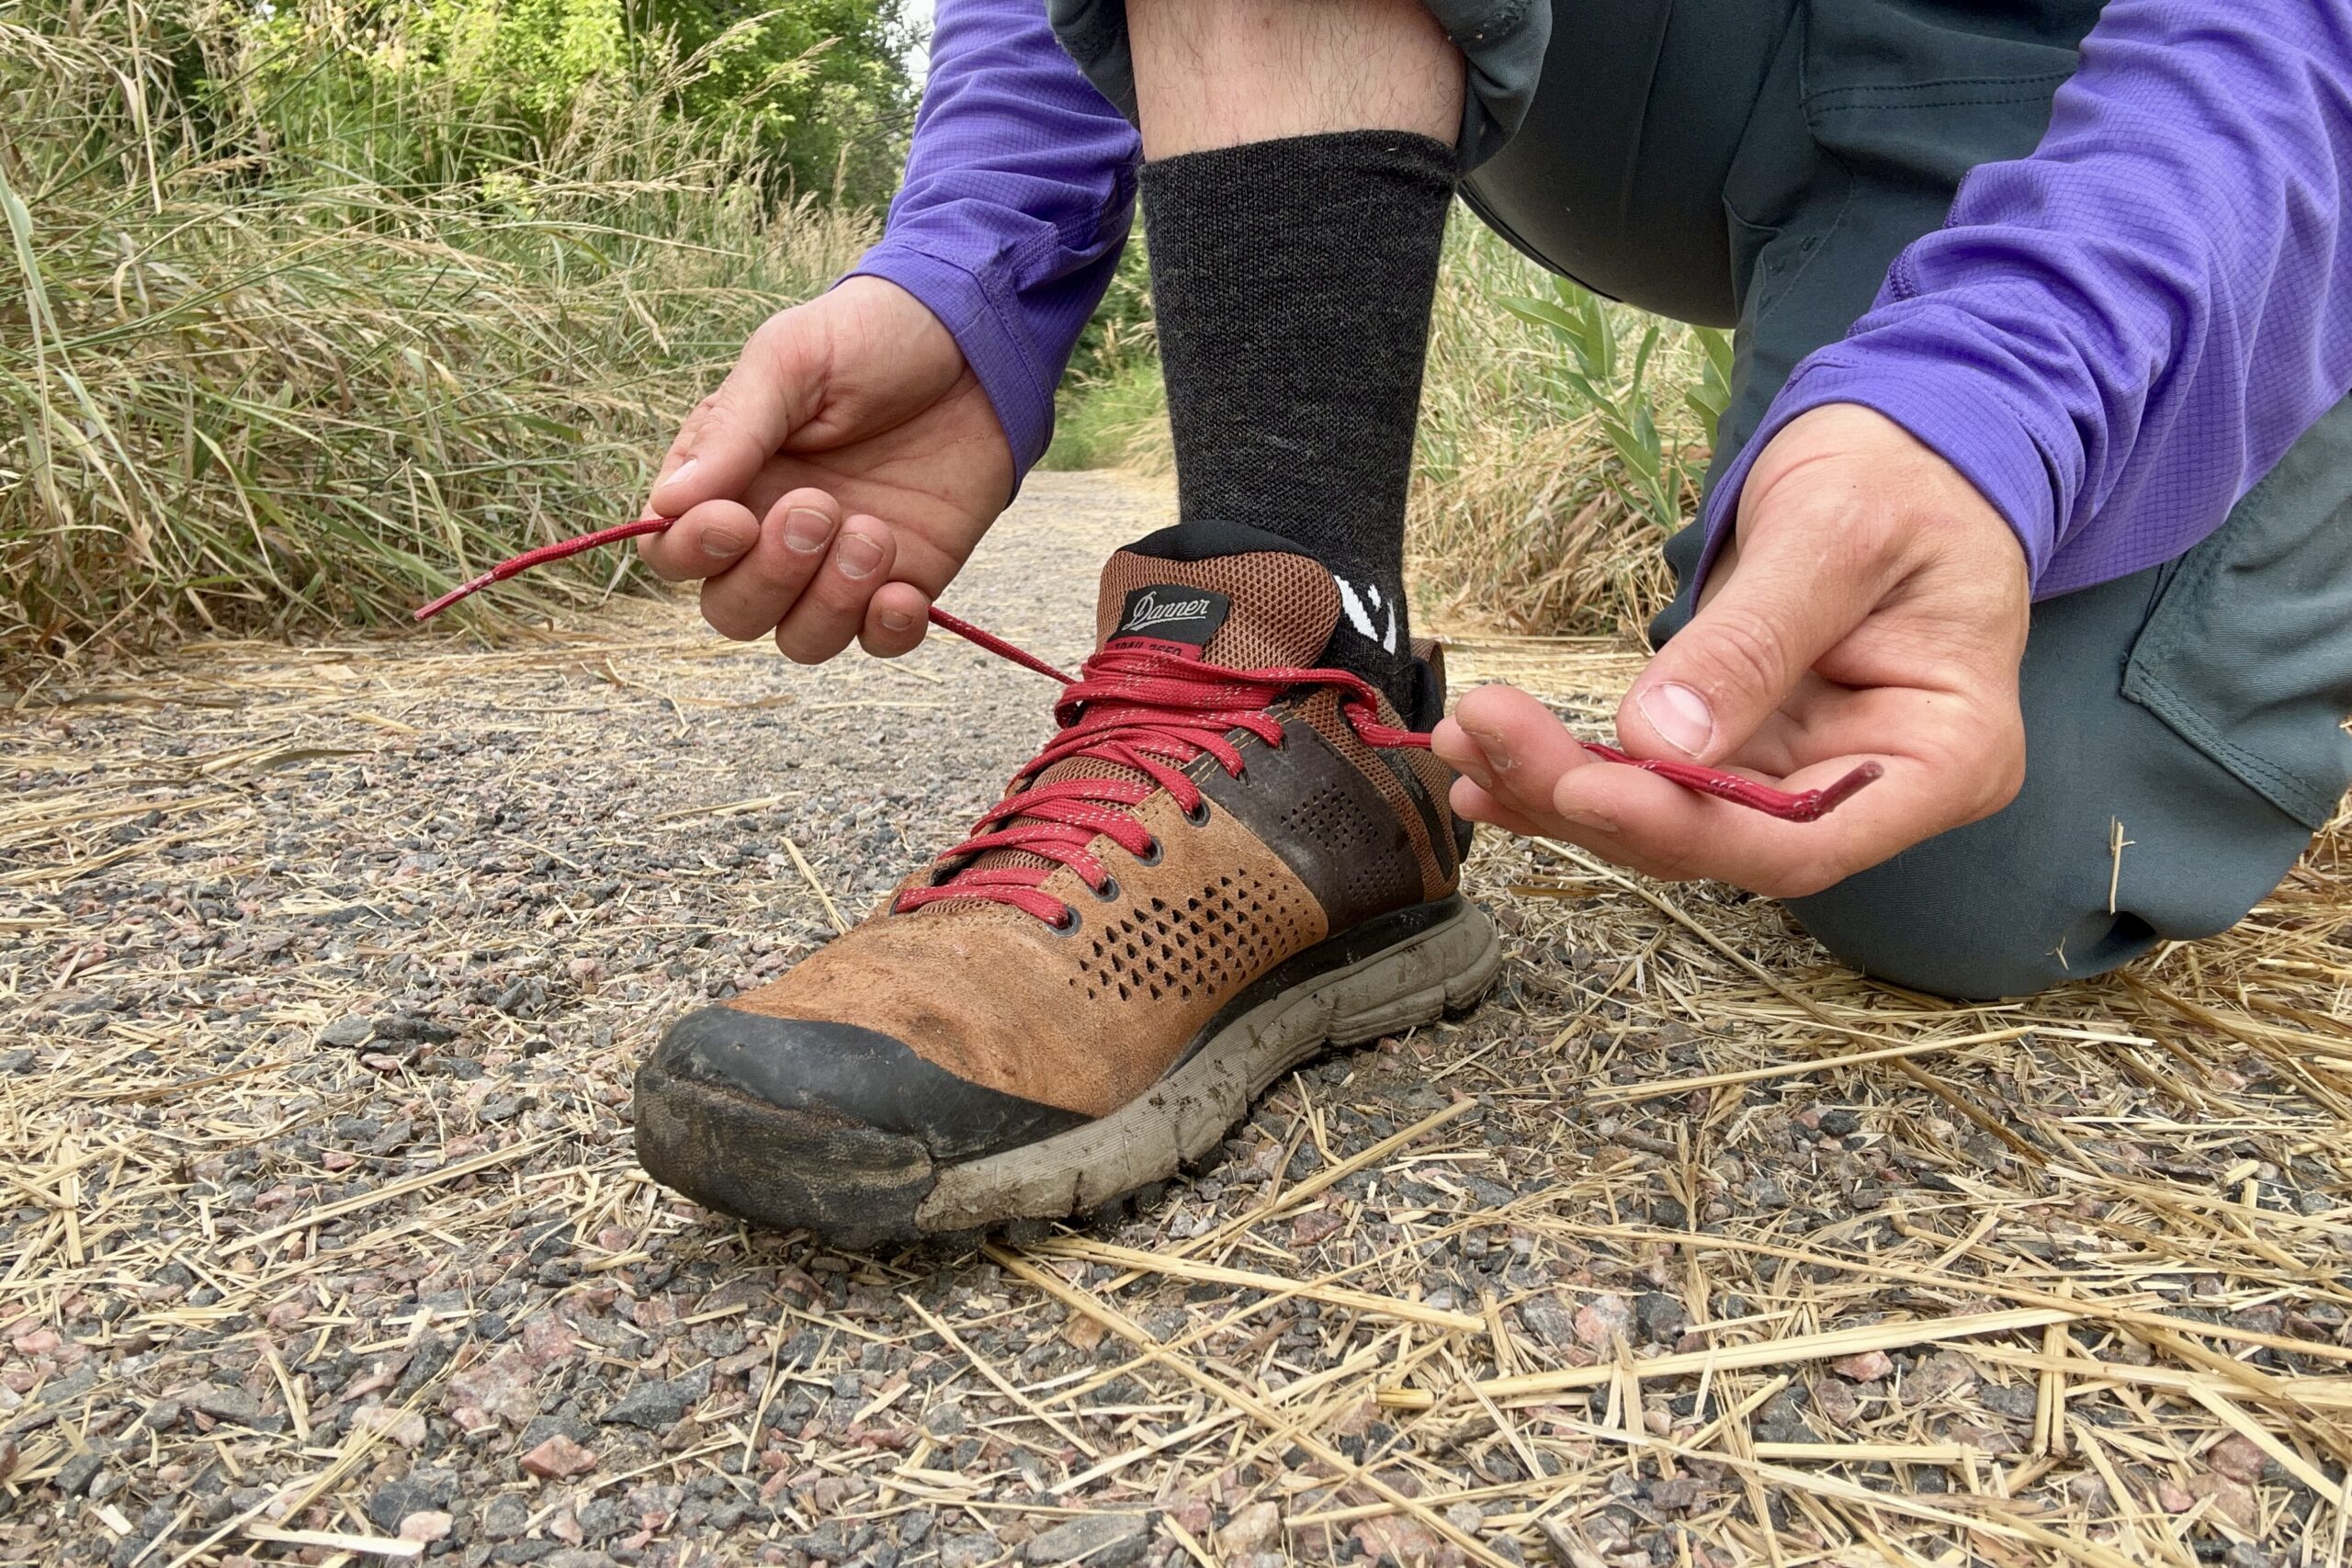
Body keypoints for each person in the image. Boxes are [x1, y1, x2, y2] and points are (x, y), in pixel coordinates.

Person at [626, 0, 2352, 1245]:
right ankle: (1293, 667)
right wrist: (973, 265)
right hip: (1649, 62)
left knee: (1967, 858)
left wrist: (2005, 403)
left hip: (2104, 72)